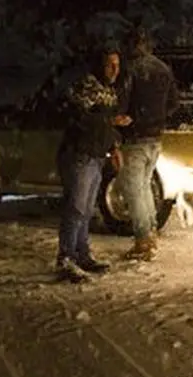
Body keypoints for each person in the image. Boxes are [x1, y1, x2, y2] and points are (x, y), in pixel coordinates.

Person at [55, 46, 128, 282]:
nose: (115, 70)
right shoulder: (86, 87)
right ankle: (66, 258)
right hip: (80, 154)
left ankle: (82, 254)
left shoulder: (110, 91)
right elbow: (81, 120)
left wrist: (114, 147)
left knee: (86, 210)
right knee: (75, 207)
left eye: (117, 65)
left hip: (96, 156)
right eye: (110, 65)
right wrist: (108, 119)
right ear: (100, 65)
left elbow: (108, 127)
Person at [118, 27, 179, 261]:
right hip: (155, 138)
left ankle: (143, 240)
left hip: (134, 138)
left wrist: (130, 118)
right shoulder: (163, 68)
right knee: (144, 187)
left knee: (134, 191)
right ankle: (151, 230)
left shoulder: (131, 70)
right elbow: (173, 103)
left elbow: (122, 102)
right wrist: (157, 117)